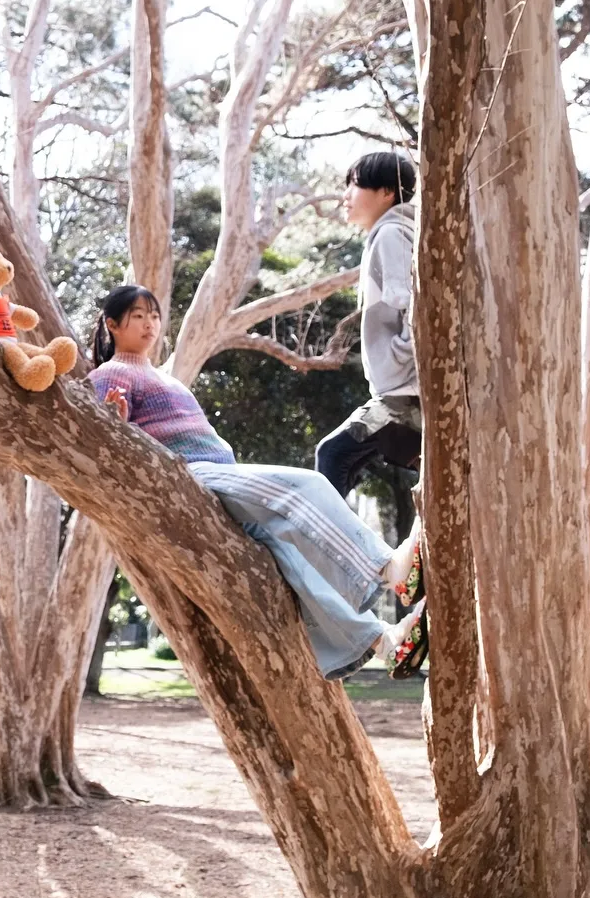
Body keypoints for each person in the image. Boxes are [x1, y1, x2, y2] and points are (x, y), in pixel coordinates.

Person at [89, 286, 425, 680]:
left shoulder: (162, 376)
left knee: (296, 567)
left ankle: (386, 643)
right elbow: (105, 442)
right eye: (137, 316)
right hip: (193, 479)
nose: (149, 324)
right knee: (307, 487)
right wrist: (114, 418)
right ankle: (388, 568)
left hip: (221, 477)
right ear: (112, 325)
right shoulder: (110, 373)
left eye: (154, 315)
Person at [314, 150, 421, 499]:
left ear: (386, 192)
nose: (345, 196)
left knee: (333, 454)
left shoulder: (392, 233)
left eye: (355, 185)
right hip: (406, 390)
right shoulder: (397, 231)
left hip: (404, 397)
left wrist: (399, 355)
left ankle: (334, 551)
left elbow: (412, 305)